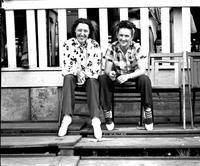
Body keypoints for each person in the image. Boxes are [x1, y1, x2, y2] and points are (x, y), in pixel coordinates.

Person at [99, 20, 153, 131]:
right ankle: (107, 111)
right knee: (103, 78)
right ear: (117, 35)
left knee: (145, 79)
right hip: (117, 79)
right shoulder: (111, 48)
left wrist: (128, 76)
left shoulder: (137, 47)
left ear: (132, 36)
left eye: (126, 36)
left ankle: (147, 111)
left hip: (133, 78)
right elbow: (107, 70)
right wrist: (111, 74)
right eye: (121, 35)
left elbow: (142, 70)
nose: (123, 38)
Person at [58, 18, 102, 140]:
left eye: (85, 31)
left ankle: (95, 119)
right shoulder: (68, 44)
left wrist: (84, 74)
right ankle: (67, 117)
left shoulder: (94, 45)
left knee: (93, 82)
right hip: (73, 76)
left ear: (89, 32)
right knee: (68, 78)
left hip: (88, 77)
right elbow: (66, 65)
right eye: (79, 30)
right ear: (74, 31)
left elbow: (96, 67)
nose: (82, 33)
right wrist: (77, 72)